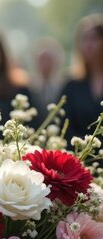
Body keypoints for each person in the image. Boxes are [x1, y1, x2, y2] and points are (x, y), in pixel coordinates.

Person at [61, 14, 103, 144]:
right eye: (84, 39)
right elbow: (65, 127)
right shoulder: (71, 85)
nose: (88, 45)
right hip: (82, 159)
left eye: (94, 38)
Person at [30, 37, 65, 116]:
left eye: (48, 59)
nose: (45, 64)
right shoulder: (29, 86)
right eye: (41, 59)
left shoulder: (64, 85)